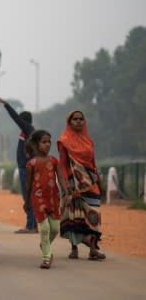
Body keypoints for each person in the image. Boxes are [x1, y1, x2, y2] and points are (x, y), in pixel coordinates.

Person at [57, 110, 106, 261]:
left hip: (91, 183)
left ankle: (92, 249)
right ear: (69, 122)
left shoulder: (89, 141)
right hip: (73, 184)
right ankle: (74, 248)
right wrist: (68, 186)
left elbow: (93, 164)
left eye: (81, 119)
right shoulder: (63, 140)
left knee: (94, 215)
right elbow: (64, 165)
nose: (78, 121)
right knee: (74, 215)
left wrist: (99, 182)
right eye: (75, 119)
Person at [0, 96, 37, 233]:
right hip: (25, 168)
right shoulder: (26, 133)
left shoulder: (28, 129)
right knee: (28, 196)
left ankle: (31, 225)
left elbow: (16, 118)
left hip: (26, 169)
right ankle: (31, 224)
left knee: (28, 197)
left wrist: (6, 104)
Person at [24, 130, 67, 269]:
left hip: (53, 197)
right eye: (44, 142)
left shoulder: (54, 161)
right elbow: (28, 184)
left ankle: (44, 244)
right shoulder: (31, 163)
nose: (47, 144)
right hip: (38, 198)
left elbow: (60, 177)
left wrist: (67, 191)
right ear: (36, 145)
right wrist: (27, 201)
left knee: (55, 228)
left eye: (49, 142)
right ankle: (47, 257)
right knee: (45, 228)